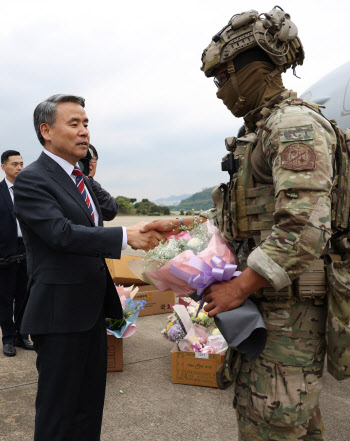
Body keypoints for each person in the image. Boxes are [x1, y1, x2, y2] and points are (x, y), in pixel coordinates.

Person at [141, 7, 336, 440]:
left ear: (248, 70)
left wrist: (240, 286)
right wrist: (181, 226)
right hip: (271, 309)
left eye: (221, 78)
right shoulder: (264, 130)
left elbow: (304, 227)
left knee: (272, 425)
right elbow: (248, 215)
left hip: (290, 316)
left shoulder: (294, 125)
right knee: (291, 424)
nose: (219, 92)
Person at [13, 94, 163, 441]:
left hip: (90, 310)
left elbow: (102, 215)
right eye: (74, 124)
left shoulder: (79, 180)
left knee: (87, 407)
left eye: (86, 124)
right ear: (46, 131)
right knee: (58, 412)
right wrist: (127, 236)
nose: (84, 132)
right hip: (60, 315)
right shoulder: (33, 179)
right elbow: (61, 234)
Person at [0, 150, 34, 356]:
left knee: (25, 296)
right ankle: (8, 339)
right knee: (4, 297)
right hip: (5, 250)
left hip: (27, 249)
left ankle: (23, 336)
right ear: (4, 167)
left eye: (21, 164)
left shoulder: (29, 190)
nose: (20, 168)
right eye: (15, 164)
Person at [87, 143, 120, 221]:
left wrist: (88, 181)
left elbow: (111, 211)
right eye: (83, 159)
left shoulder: (92, 186)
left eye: (92, 159)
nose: (89, 163)